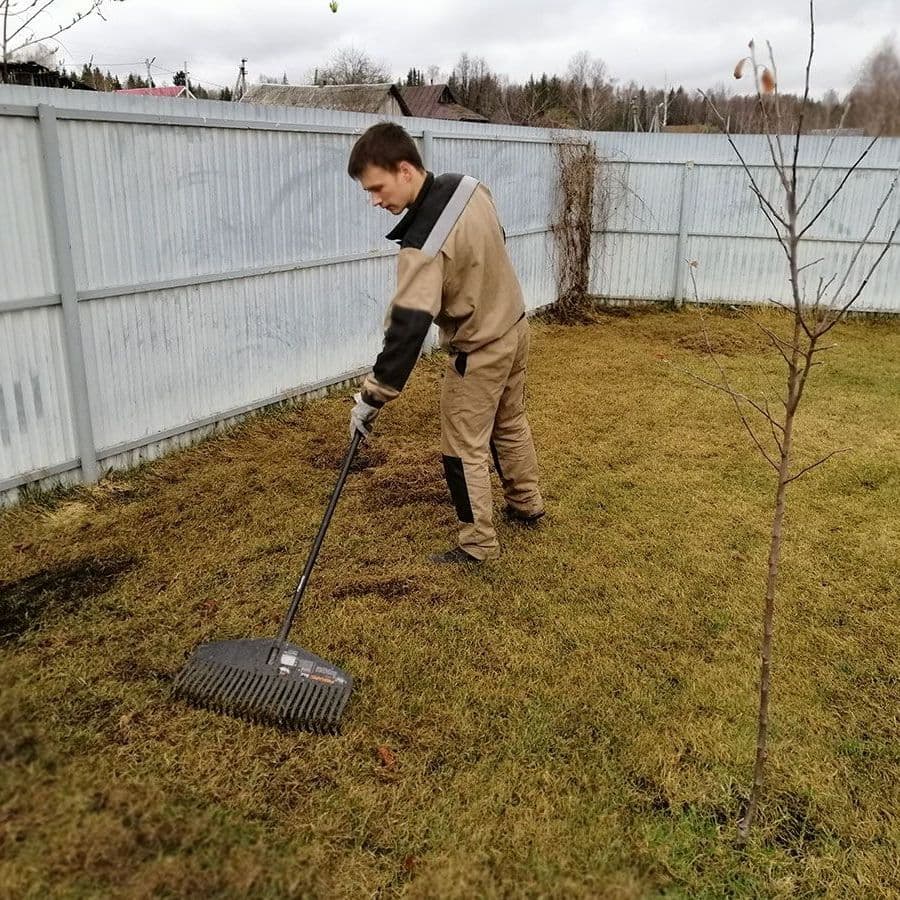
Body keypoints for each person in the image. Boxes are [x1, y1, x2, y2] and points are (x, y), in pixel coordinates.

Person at [347, 122, 544, 564]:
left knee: (463, 447)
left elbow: (406, 331)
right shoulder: (469, 187)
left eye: (377, 188)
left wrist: (371, 397)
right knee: (510, 422)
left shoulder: (421, 246)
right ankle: (527, 503)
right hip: (515, 326)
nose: (375, 201)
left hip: (479, 350)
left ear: (404, 170)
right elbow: (495, 242)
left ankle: (477, 544)